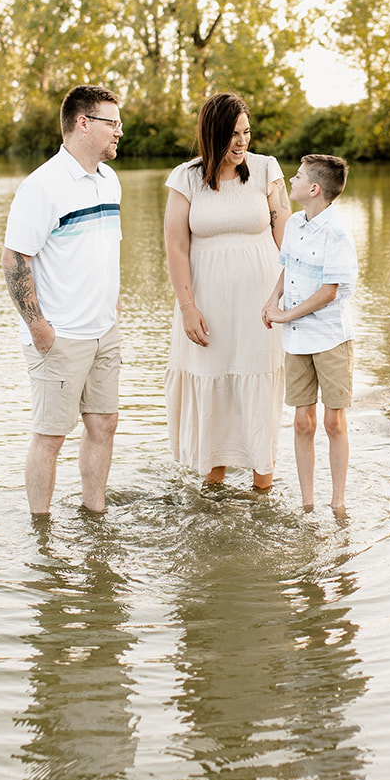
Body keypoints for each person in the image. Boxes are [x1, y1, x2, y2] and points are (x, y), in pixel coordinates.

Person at [1, 85, 124, 515]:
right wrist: (39, 328)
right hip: (60, 335)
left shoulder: (110, 181)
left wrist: (114, 302)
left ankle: (96, 513)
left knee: (104, 424)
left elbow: (106, 249)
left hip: (104, 330)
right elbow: (14, 259)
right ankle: (41, 527)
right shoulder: (43, 186)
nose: (119, 132)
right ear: (82, 123)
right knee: (51, 436)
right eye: (112, 123)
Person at [164, 92, 291, 489]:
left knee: (257, 383)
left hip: (261, 309)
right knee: (213, 382)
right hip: (208, 307)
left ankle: (262, 492)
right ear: (212, 135)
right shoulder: (186, 178)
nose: (241, 142)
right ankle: (213, 492)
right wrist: (187, 307)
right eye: (232, 134)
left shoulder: (267, 170)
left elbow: (288, 239)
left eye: (246, 132)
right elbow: (176, 246)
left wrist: (289, 296)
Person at [261, 155, 356, 511]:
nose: (292, 179)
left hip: (331, 339)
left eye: (298, 176)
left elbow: (329, 291)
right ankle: (307, 502)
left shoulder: (337, 234)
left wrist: (285, 315)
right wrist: (272, 301)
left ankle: (338, 501)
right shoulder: (295, 226)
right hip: (297, 340)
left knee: (333, 421)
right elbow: (288, 269)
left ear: (314, 189)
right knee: (303, 421)